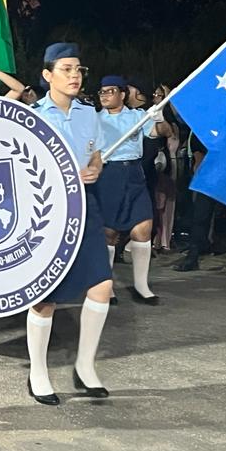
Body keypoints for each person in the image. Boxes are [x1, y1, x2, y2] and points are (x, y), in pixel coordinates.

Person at [27, 42, 114, 404]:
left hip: (86, 205)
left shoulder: (89, 114)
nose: (75, 76)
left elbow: (96, 156)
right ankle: (38, 372)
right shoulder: (32, 116)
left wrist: (95, 169)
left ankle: (85, 366)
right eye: (66, 69)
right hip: (48, 209)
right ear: (48, 76)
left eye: (78, 69)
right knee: (45, 296)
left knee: (102, 285)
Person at [95, 75, 170, 304]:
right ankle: (107, 287)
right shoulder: (94, 120)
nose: (105, 96)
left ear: (122, 93)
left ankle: (141, 286)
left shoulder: (138, 117)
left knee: (143, 228)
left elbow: (162, 131)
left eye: (110, 91)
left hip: (134, 173)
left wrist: (159, 116)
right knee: (109, 233)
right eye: (102, 92)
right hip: (109, 174)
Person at [173, 133, 226, 275]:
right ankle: (192, 257)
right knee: (200, 217)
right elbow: (198, 160)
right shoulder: (201, 132)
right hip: (208, 180)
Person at [151, 84, 180, 252]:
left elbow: (172, 139)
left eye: (159, 94)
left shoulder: (169, 120)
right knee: (157, 203)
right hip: (157, 164)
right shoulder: (151, 115)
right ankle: (156, 238)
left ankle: (164, 240)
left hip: (170, 164)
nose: (155, 96)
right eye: (154, 93)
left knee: (167, 204)